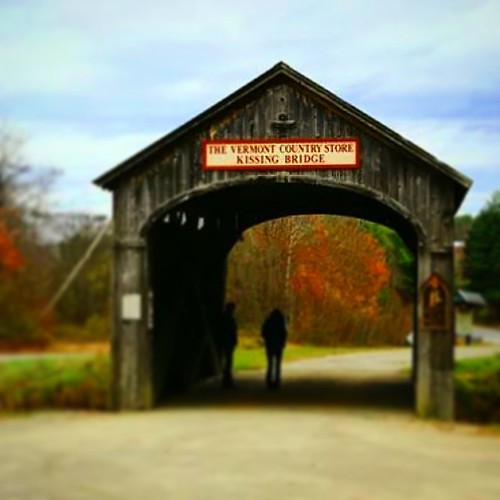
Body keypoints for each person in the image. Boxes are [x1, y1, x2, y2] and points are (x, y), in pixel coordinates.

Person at [261, 308, 287, 389]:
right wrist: (283, 343)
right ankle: (277, 382)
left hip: (269, 345)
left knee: (270, 364)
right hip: (278, 345)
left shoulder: (268, 321)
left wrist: (267, 339)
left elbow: (263, 332)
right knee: (278, 364)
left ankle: (269, 381)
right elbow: (284, 333)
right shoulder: (281, 322)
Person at [219, 302, 238, 388]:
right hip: (228, 342)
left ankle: (226, 380)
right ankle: (227, 381)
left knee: (227, 362)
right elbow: (232, 331)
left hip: (225, 342)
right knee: (228, 362)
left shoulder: (224, 318)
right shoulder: (229, 318)